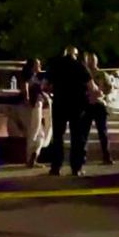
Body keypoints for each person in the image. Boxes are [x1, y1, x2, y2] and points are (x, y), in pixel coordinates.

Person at [44, 46, 93, 176]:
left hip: (60, 104)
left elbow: (45, 86)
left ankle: (56, 167)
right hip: (77, 105)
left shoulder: (55, 67)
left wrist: (54, 90)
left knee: (58, 136)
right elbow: (91, 86)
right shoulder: (80, 66)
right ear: (75, 55)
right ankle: (76, 168)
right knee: (77, 137)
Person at [21, 58, 52, 168]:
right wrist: (29, 101)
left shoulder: (37, 78)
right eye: (37, 64)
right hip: (35, 106)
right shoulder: (29, 78)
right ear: (32, 66)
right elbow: (26, 93)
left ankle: (34, 156)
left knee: (42, 132)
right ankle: (30, 157)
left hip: (41, 106)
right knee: (35, 130)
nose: (40, 66)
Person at [84, 53, 114, 165]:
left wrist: (102, 95)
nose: (91, 62)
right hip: (88, 105)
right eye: (89, 60)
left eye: (93, 60)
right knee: (85, 132)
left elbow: (109, 88)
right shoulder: (85, 73)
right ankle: (83, 157)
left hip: (99, 104)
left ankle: (107, 156)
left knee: (102, 132)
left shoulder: (101, 74)